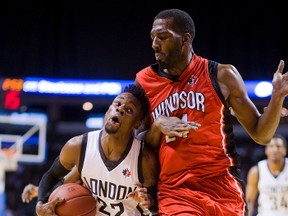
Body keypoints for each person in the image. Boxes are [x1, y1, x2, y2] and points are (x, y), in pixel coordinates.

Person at [134, 8, 288, 215]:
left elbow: (261, 135)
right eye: (152, 37)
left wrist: (277, 96)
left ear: (185, 39)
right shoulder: (144, 81)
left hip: (223, 188)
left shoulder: (222, 75)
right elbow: (136, 145)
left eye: (162, 37)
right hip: (176, 191)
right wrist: (157, 126)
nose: (154, 44)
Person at [35, 84, 159, 216]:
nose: (120, 108)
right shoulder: (78, 146)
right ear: (108, 110)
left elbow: (155, 207)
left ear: (137, 124)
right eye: (117, 103)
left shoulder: (144, 159)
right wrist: (40, 203)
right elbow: (52, 175)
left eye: (129, 110)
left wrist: (148, 203)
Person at [246, 134, 288, 216]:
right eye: (271, 146)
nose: (275, 149)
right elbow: (249, 200)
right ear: (266, 150)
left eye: (278, 146)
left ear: (285, 150)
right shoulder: (256, 171)